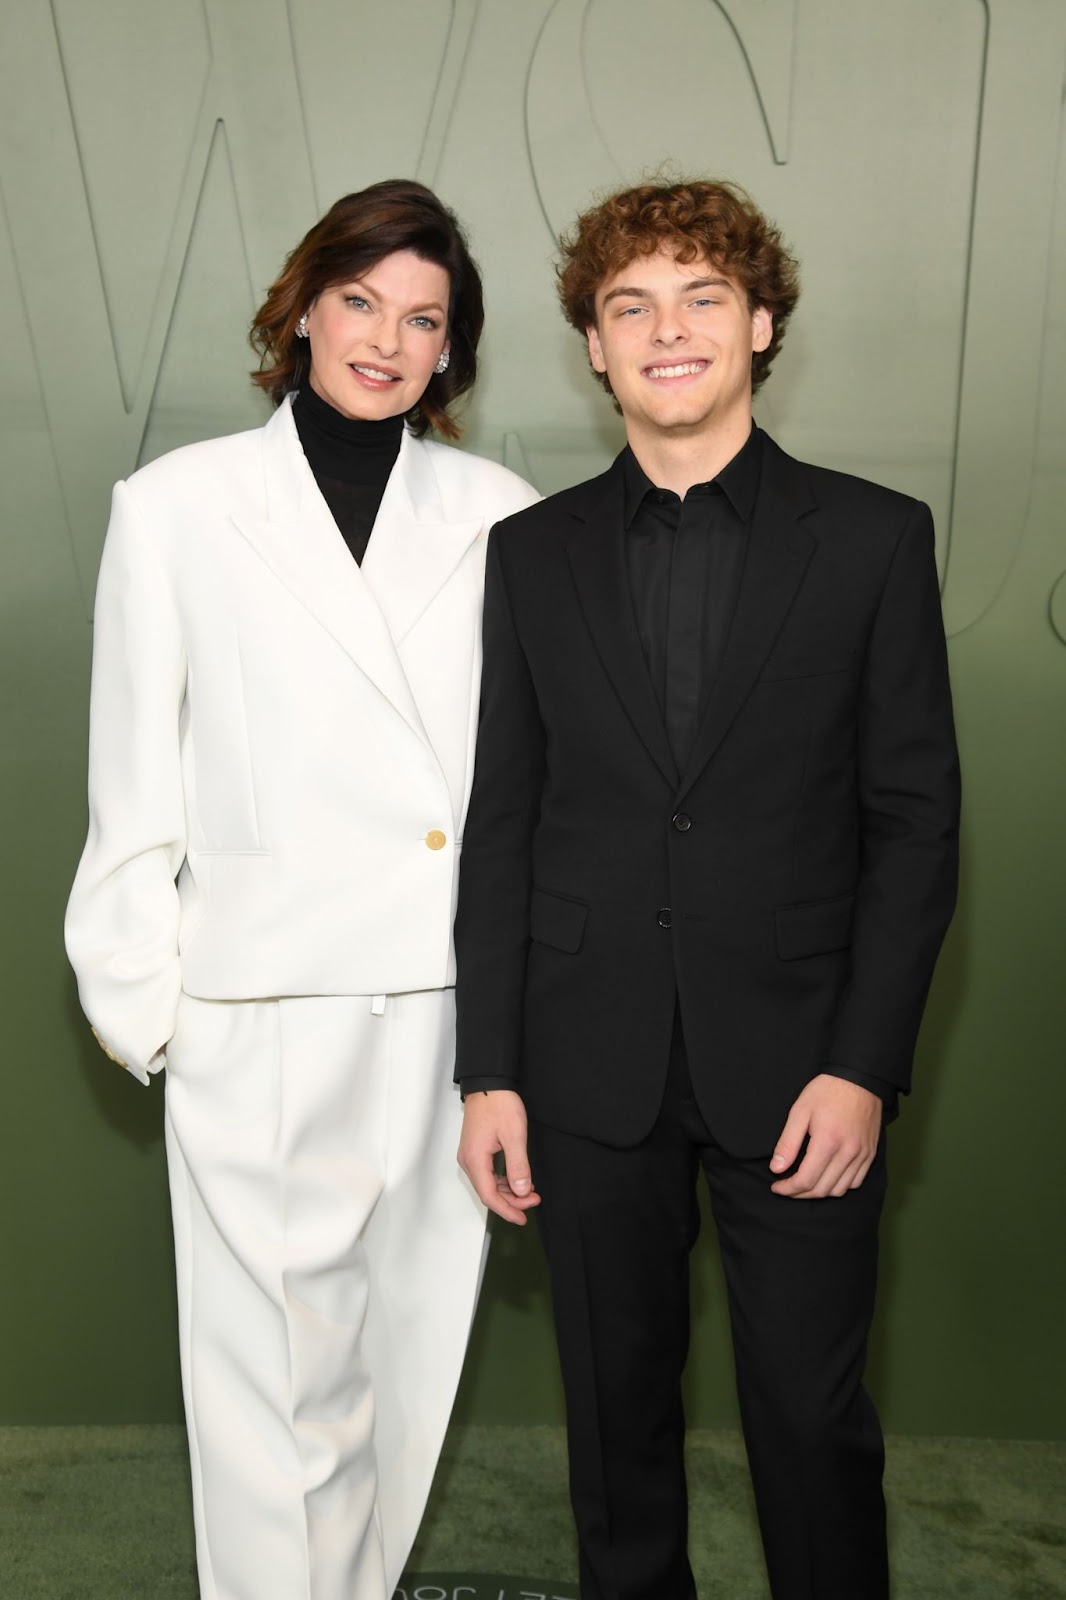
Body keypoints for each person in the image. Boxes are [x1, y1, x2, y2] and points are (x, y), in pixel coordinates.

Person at [453, 179, 960, 1600]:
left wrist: (862, 1068)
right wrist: (489, 1070)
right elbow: (505, 820)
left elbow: (915, 826)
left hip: (799, 1068)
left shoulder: (870, 540)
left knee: (807, 1421)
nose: (665, 330)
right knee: (616, 1431)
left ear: (760, 321)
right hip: (582, 1058)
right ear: (595, 349)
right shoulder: (531, 554)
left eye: (698, 297)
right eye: (630, 306)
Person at [65, 178, 539, 1600]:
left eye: (423, 319)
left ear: (451, 351)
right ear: (304, 305)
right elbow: (130, 777)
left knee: (401, 1367)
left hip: (450, 1011)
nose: (386, 341)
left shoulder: (500, 513)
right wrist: (154, 1009)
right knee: (281, 1393)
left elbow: (526, 784)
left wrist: (516, 1034)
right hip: (260, 1005)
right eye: (359, 302)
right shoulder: (178, 508)